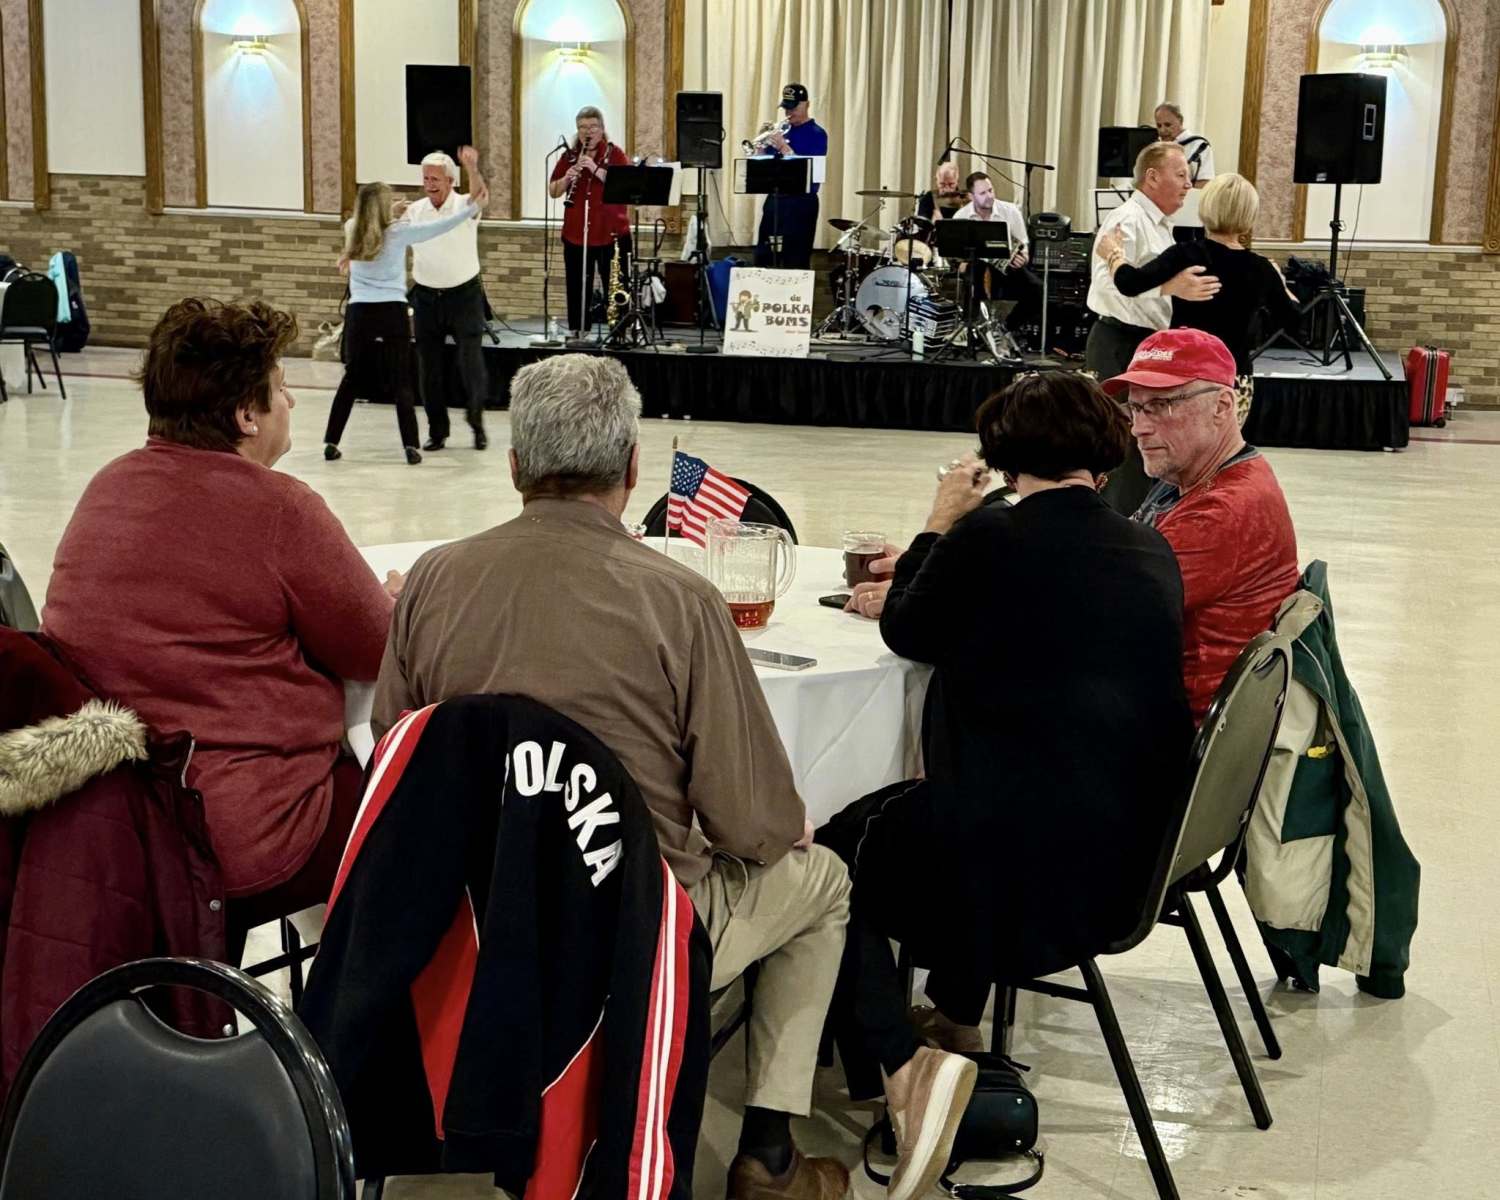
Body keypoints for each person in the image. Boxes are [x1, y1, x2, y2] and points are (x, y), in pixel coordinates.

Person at [371, 354, 853, 1200]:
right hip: (632, 930)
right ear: (633, 469)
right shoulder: (681, 599)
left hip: (475, 920)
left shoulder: (433, 581)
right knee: (825, 880)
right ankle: (770, 1155)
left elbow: (396, 755)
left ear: (513, 466)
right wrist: (781, 828)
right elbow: (749, 823)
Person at [818, 373, 1192, 1198]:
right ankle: (954, 1017)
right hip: (1129, 856)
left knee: (825, 857)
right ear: (1103, 452)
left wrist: (939, 522)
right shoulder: (1149, 547)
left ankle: (901, 1064)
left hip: (1017, 870)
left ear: (1004, 455)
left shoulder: (993, 535)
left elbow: (908, 628)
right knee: (997, 781)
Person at [43, 298, 401, 964]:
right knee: (419, 809)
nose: (291, 400)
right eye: (281, 386)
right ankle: (363, 1012)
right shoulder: (279, 509)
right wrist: (392, 600)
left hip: (109, 828)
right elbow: (377, 647)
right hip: (234, 833)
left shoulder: (107, 487)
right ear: (246, 415)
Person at [1104, 327, 1301, 721]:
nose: (1138, 428)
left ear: (1222, 407)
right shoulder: (1197, 475)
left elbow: (1096, 613)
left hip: (1174, 728)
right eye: (1135, 408)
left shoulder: (1219, 512)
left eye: (1161, 405)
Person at [1086, 141, 1221, 515]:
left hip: (1145, 342)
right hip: (1119, 340)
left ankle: (1139, 522)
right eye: (1181, 175)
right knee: (1126, 440)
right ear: (1152, 177)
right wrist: (1169, 287)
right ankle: (1116, 523)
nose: (1188, 185)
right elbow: (1110, 286)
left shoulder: (1159, 225)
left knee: (1148, 440)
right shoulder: (1128, 220)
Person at [326, 167, 487, 464]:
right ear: (382, 206)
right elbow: (442, 226)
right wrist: (471, 209)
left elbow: (370, 225)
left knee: (352, 377)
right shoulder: (399, 232)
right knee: (402, 380)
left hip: (359, 312)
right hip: (392, 311)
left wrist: (389, 213)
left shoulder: (351, 228)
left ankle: (331, 441)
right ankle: (410, 447)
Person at [1095, 172, 1304, 387]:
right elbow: (1293, 322)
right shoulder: (1261, 268)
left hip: (1181, 373)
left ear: (1206, 207)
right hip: (1232, 378)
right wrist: (1281, 283)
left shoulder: (1184, 254)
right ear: (1249, 216)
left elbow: (1130, 283)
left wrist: (1114, 256)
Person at [405, 147, 491, 452]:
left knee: (471, 364)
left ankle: (476, 421)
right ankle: (437, 430)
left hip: (463, 296)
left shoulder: (464, 205)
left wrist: (472, 167)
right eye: (426, 178)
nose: (429, 184)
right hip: (426, 298)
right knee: (429, 368)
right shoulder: (415, 211)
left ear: (451, 181)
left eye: (436, 179)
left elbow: (480, 195)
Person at [548, 106, 632, 338]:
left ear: (602, 129)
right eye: (583, 127)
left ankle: (619, 332)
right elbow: (553, 191)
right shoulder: (569, 157)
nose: (588, 132)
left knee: (616, 285)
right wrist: (568, 177)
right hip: (576, 233)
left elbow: (624, 185)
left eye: (593, 127)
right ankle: (578, 330)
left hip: (612, 232)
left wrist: (594, 168)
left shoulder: (615, 154)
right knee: (576, 285)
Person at [753, 83, 829, 270]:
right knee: (764, 256)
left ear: (806, 105)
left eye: (794, 108)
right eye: (786, 108)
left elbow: (809, 173)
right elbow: (759, 167)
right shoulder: (780, 131)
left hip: (801, 203)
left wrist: (783, 146)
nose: (789, 112)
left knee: (796, 259)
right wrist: (760, 145)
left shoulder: (817, 134)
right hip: (776, 199)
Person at [951, 171, 1038, 332]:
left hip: (1007, 268)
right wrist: (960, 264)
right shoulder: (960, 216)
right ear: (971, 196)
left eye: (990, 190)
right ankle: (970, 331)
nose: (989, 196)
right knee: (973, 272)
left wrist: (1023, 258)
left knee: (1038, 289)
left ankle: (1006, 328)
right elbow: (956, 255)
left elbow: (1024, 246)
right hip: (977, 268)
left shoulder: (1010, 211)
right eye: (982, 193)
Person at [1155, 102, 1215, 187]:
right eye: (1159, 126)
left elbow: (1204, 183)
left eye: (1168, 125)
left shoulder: (1200, 146)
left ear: (1180, 120)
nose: (1162, 130)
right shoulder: (1156, 147)